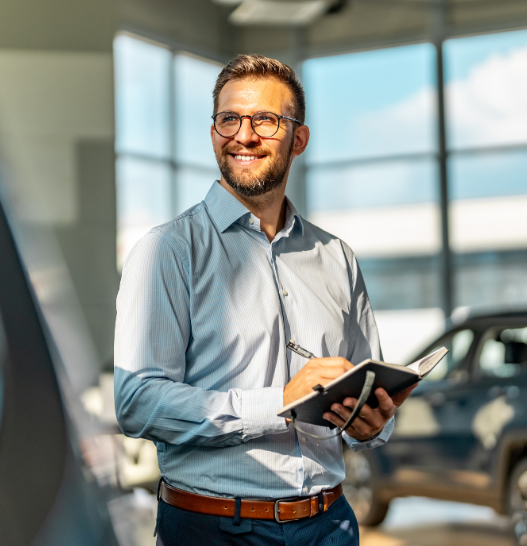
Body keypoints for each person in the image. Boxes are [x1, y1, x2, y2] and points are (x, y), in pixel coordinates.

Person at [114, 54, 416, 545]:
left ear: (299, 139)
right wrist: (278, 403)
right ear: (213, 133)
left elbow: (363, 385)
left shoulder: (336, 257)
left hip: (330, 524)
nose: (245, 136)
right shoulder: (168, 251)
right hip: (212, 529)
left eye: (266, 120)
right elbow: (137, 402)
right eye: (229, 119)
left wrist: (371, 423)